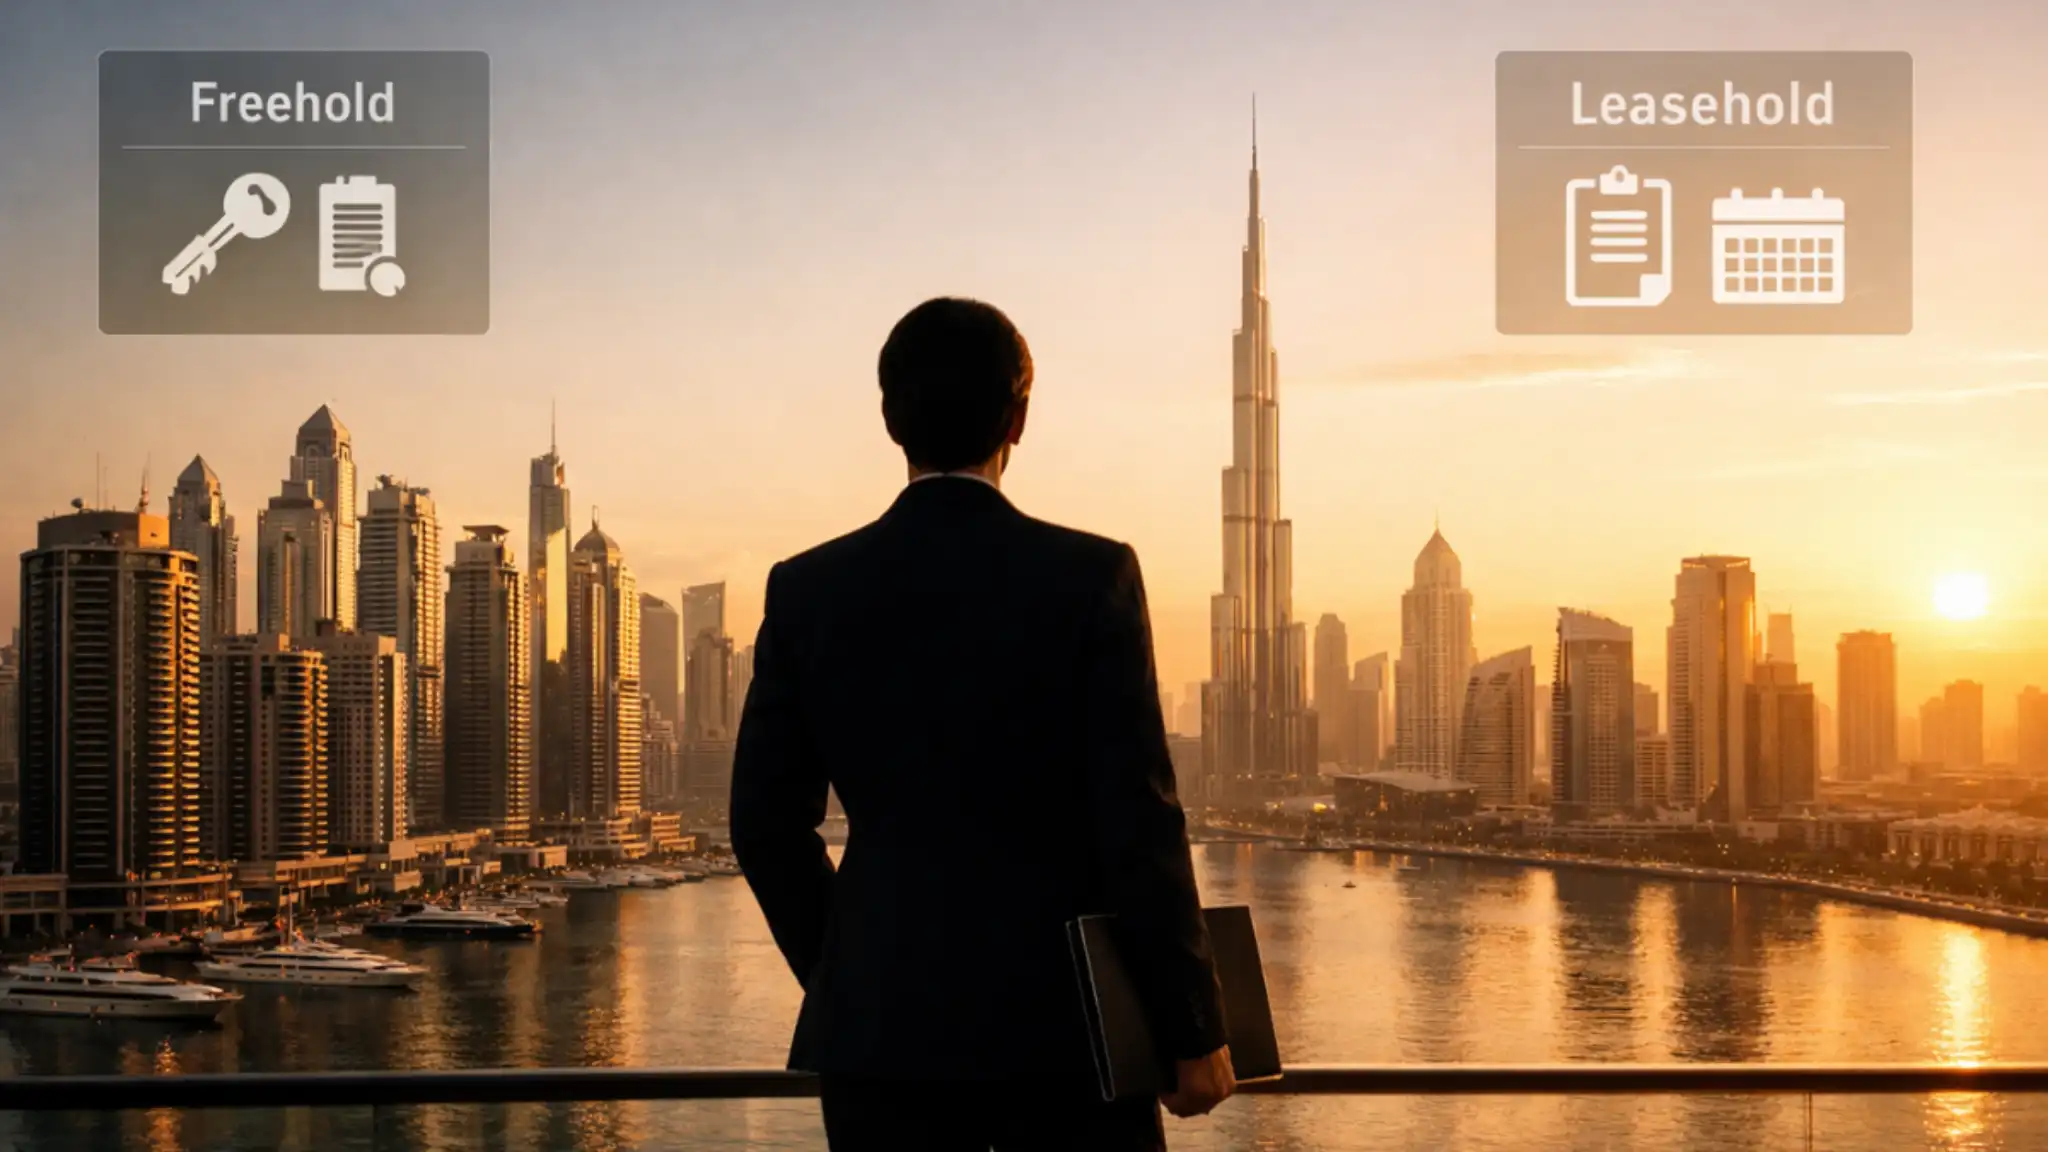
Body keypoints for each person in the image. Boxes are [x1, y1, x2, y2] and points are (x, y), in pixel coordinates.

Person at [730, 296, 1235, 1150]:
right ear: (1020, 417)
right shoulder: (1092, 579)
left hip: (880, 1045)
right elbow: (1138, 821)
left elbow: (763, 825)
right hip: (1068, 1037)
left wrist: (848, 967)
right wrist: (1193, 1027)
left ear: (890, 420)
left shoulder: (808, 590)